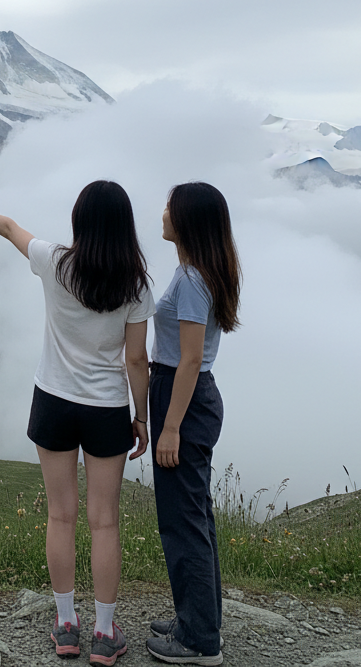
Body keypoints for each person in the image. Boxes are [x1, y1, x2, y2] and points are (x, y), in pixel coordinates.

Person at [0, 183, 153, 666]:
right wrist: (141, 416)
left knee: (61, 515)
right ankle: (105, 633)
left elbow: (10, 228)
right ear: (125, 227)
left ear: (80, 221)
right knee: (105, 521)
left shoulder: (56, 261)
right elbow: (137, 360)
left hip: (54, 400)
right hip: (106, 409)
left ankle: (66, 626)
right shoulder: (136, 283)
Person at [145, 182, 241, 666]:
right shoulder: (201, 271)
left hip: (181, 396)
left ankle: (200, 641)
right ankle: (197, 619)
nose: (163, 213)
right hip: (195, 396)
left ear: (187, 221)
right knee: (195, 515)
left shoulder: (190, 280)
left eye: (170, 207)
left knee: (183, 521)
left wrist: (169, 427)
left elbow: (186, 361)